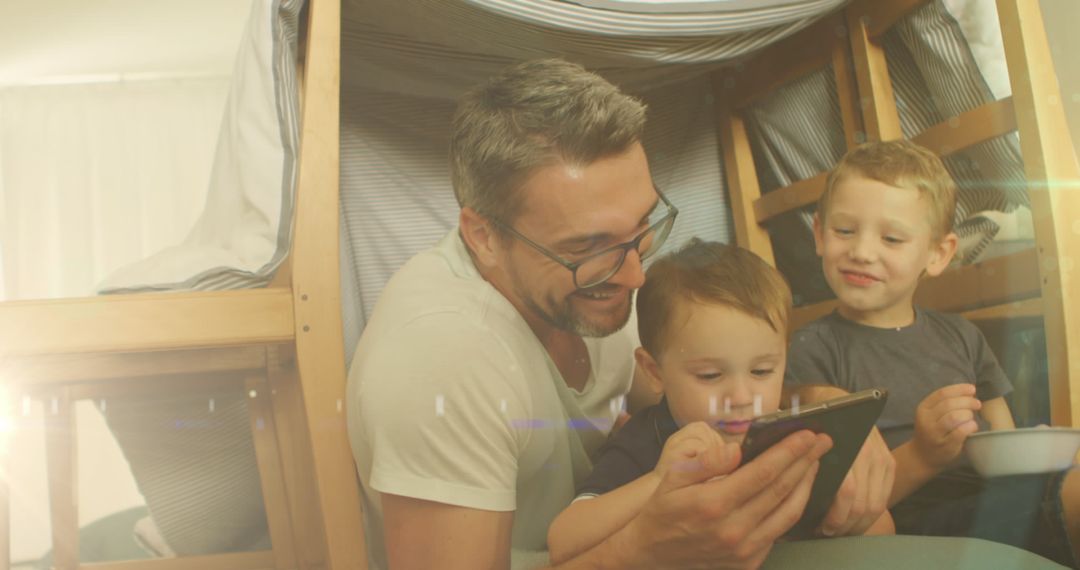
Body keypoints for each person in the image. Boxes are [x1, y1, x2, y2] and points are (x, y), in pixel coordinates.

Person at [346, 58, 888, 570]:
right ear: (484, 237)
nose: (635, 276)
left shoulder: (595, 285)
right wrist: (642, 551)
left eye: (642, 228)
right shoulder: (440, 357)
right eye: (589, 247)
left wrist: (819, 412)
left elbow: (685, 391)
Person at [784, 139, 1080, 567]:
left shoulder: (961, 335)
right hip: (912, 518)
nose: (862, 252)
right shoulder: (812, 355)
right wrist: (923, 454)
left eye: (891, 238)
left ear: (938, 254)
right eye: (844, 230)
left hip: (994, 499)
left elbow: (1003, 444)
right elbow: (839, 511)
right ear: (818, 234)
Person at [547, 239, 895, 563]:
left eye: (761, 371)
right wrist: (658, 479)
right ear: (654, 371)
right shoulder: (648, 441)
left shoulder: (793, 433)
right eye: (710, 376)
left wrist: (846, 512)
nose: (742, 398)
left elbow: (883, 531)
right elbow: (563, 540)